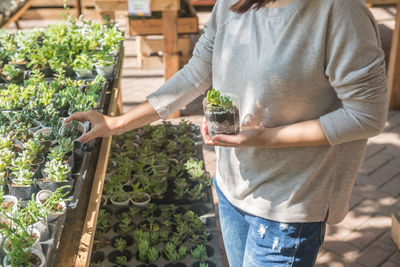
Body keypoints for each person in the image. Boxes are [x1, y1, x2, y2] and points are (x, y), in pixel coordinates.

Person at [66, 0, 388, 266]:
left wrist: (266, 138)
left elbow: (366, 115)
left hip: (289, 206)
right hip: (231, 189)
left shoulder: (340, 12)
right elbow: (196, 73)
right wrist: (116, 123)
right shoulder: (234, 3)